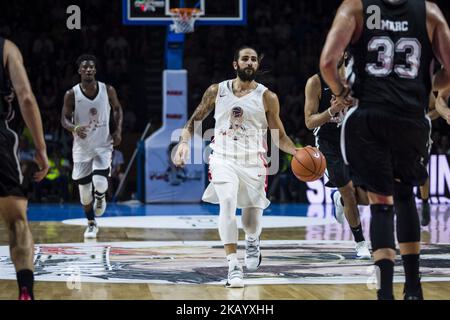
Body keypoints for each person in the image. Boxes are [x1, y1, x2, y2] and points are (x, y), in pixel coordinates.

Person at [320, 0, 450, 300]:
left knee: (380, 202)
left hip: (368, 116)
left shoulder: (354, 7)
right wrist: (430, 84)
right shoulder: (429, 12)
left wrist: (341, 92)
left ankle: (384, 293)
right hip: (410, 116)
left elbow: (328, 62)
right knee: (405, 195)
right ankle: (414, 289)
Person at [174, 46, 297, 288]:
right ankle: (233, 266)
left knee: (251, 221)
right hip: (222, 158)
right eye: (245, 59)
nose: (249, 62)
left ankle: (252, 239)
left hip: (254, 162)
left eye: (253, 59)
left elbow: (279, 136)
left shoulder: (267, 97)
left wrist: (298, 152)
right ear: (235, 64)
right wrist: (183, 142)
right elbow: (194, 120)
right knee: (227, 203)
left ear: (257, 66)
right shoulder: (216, 91)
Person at [304, 53, 371, 259]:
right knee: (349, 192)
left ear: (347, 54)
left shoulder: (357, 81)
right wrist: (331, 111)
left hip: (354, 141)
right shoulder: (315, 82)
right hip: (328, 142)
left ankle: (339, 200)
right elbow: (309, 122)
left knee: (367, 199)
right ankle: (360, 242)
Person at [0, 37, 49, 300]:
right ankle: (25, 292)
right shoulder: (7, 48)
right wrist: (40, 148)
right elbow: (27, 98)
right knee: (17, 222)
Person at [61, 55, 123, 239]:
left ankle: (101, 196)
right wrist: (73, 127)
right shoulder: (71, 94)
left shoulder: (107, 89)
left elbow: (118, 109)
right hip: (81, 148)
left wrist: (118, 130)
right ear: (79, 71)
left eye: (91, 67)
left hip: (103, 144)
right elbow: (63, 118)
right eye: (85, 67)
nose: (88, 70)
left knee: (100, 182)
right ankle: (91, 223)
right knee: (84, 195)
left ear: (95, 70)